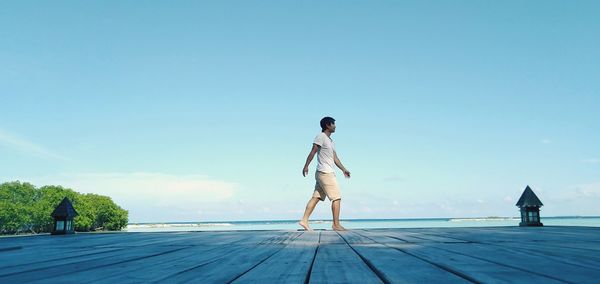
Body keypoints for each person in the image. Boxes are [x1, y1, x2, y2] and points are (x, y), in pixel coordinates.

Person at [299, 116, 351, 231]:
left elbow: (335, 158)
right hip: (325, 173)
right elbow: (313, 151)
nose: (335, 126)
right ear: (328, 125)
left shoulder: (330, 141)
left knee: (316, 197)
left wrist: (343, 169)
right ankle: (336, 225)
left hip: (323, 173)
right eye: (333, 124)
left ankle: (304, 220)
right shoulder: (321, 137)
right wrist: (306, 165)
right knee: (336, 197)